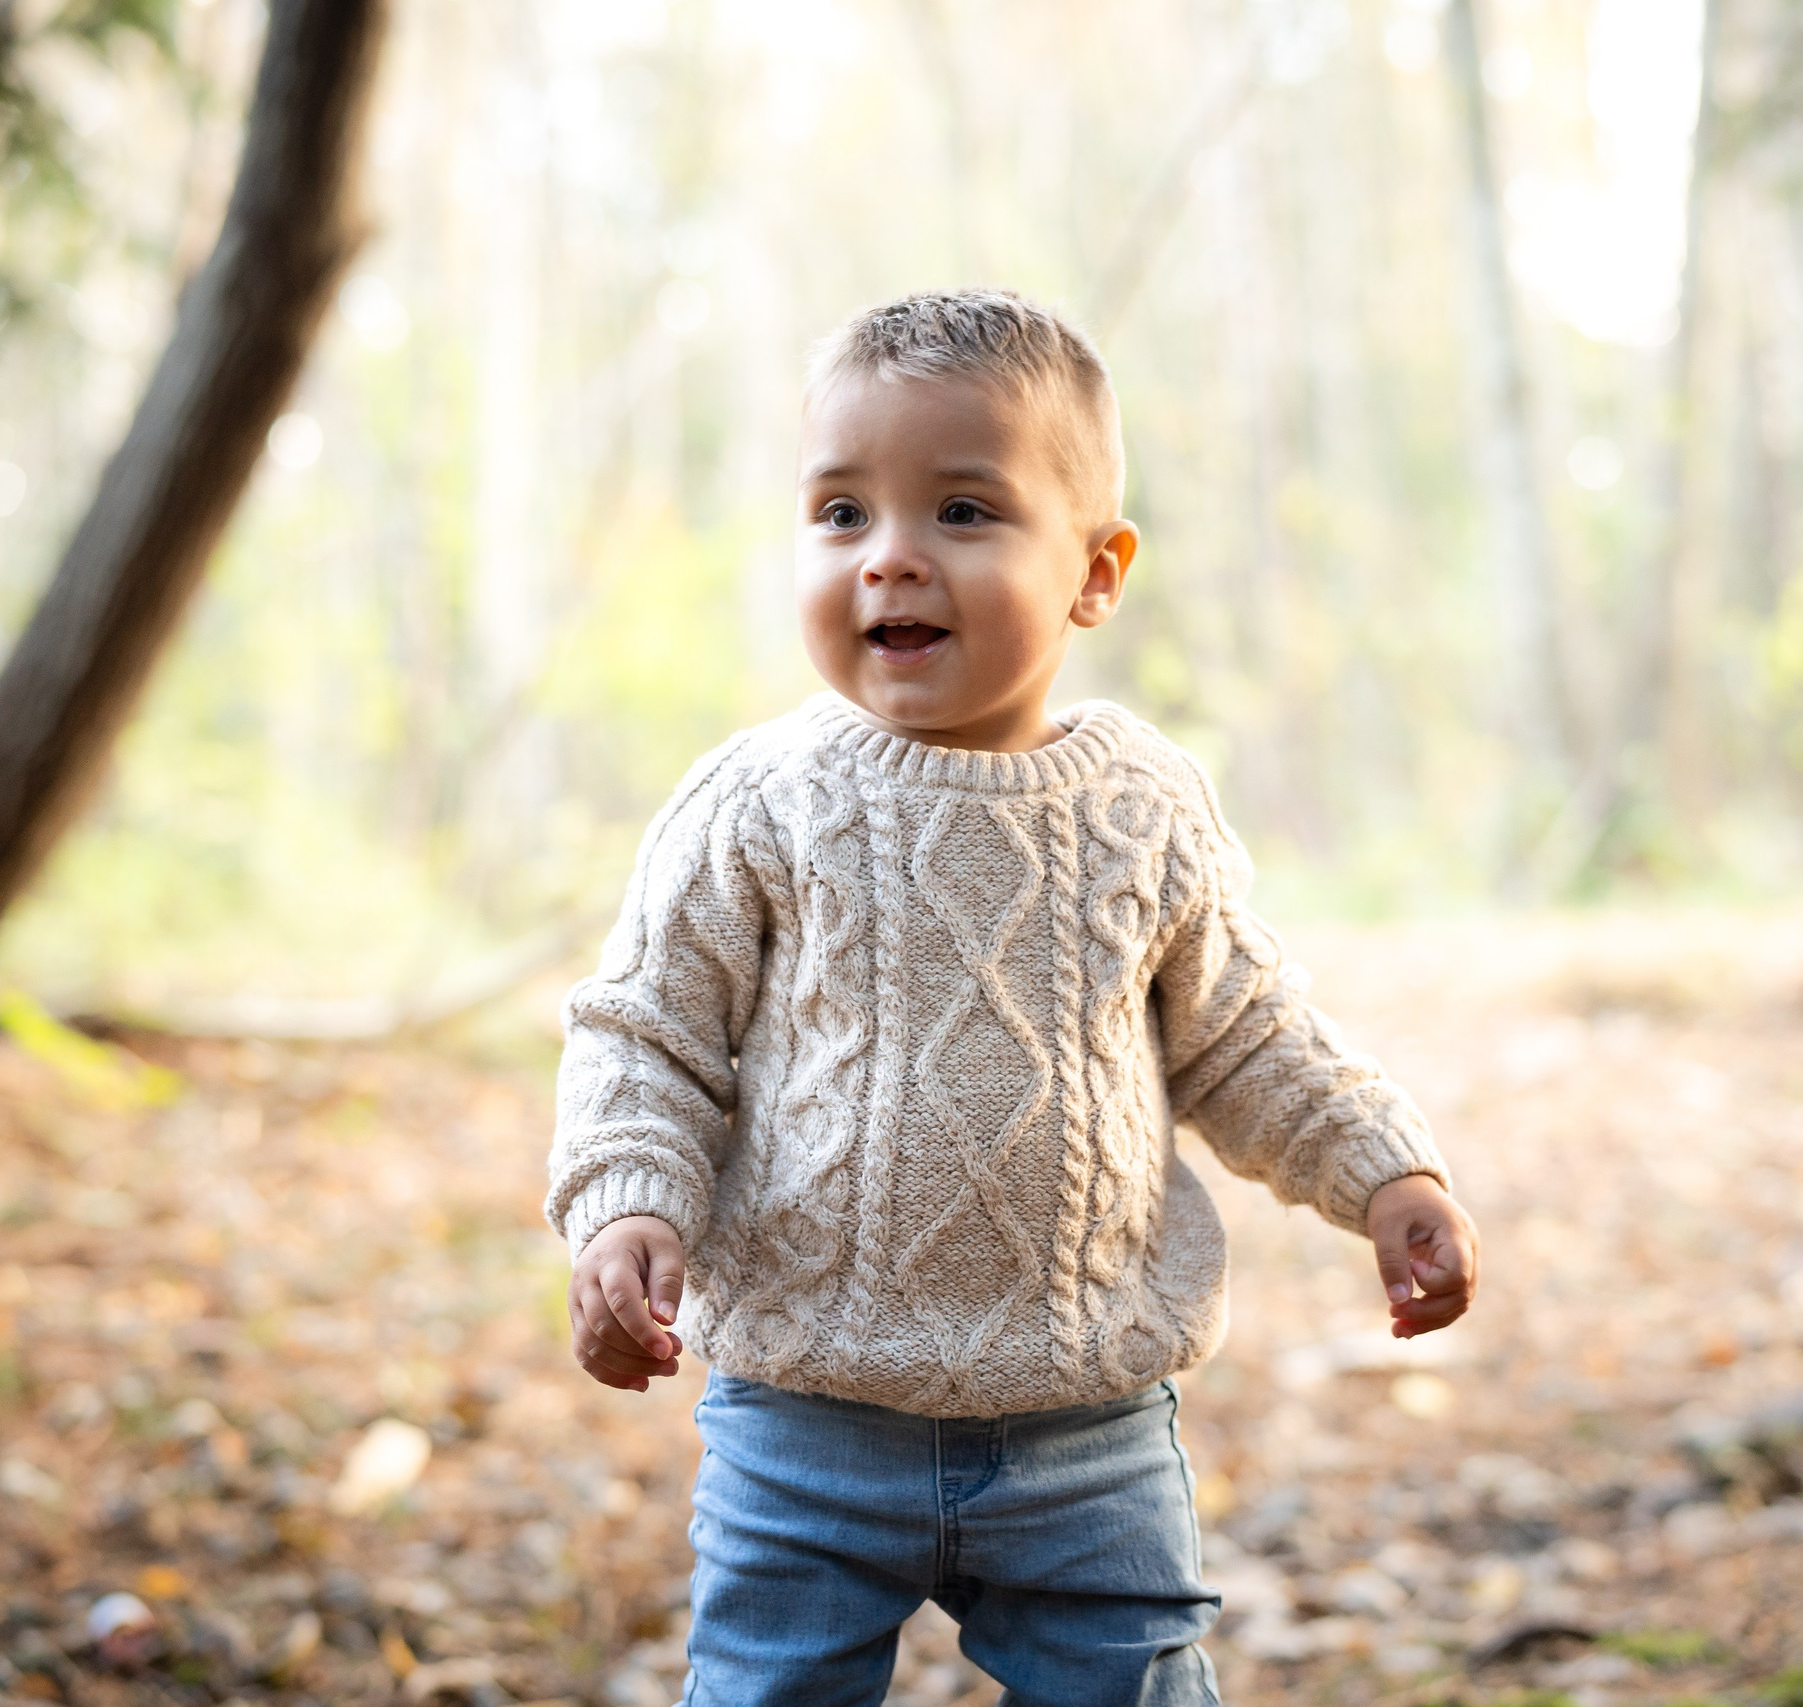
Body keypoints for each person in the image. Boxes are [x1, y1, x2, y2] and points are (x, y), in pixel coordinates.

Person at [545, 288, 1478, 1706]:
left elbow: (1242, 1033)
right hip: (805, 1416)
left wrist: (1384, 1171)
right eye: (841, 514)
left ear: (1097, 572)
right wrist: (627, 1201)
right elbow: (648, 1036)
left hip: (1085, 1430)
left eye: (963, 513)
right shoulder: (758, 804)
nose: (890, 560)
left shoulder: (1144, 806)